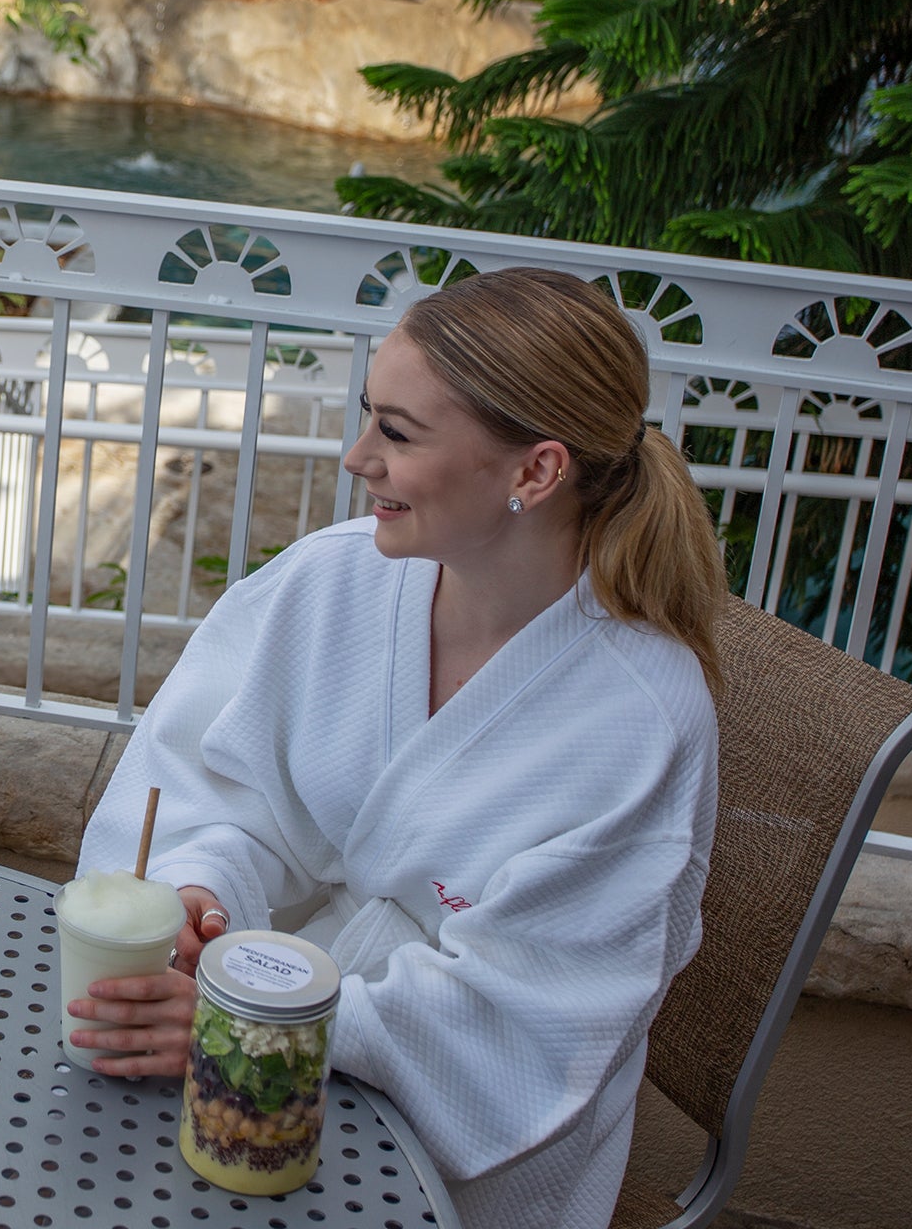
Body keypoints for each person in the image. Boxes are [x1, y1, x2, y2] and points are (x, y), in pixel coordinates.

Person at [68, 266, 723, 1229]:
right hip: (252, 1027)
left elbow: (526, 1016)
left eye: (399, 434)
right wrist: (200, 892)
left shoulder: (638, 722)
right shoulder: (332, 585)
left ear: (534, 473)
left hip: (460, 1139)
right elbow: (220, 791)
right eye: (368, 414)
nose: (354, 456)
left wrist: (246, 1027)